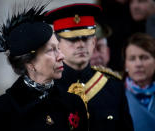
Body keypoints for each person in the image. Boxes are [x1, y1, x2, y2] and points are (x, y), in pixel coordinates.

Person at [0, 1, 88, 131]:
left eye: (59, 48)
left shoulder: (73, 103)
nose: (62, 56)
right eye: (51, 50)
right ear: (29, 62)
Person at [45, 3, 133, 131]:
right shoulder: (46, 88)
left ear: (93, 42)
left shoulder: (113, 86)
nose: (80, 45)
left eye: (85, 38)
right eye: (72, 40)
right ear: (58, 44)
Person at [123, 32, 155, 131]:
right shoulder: (116, 94)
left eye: (144, 57)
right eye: (132, 59)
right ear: (125, 65)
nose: (138, 64)